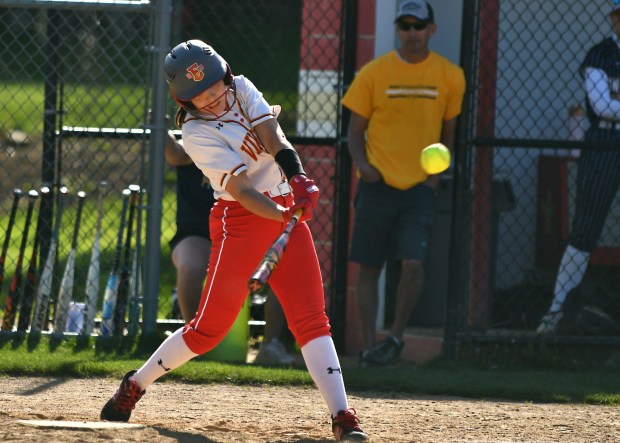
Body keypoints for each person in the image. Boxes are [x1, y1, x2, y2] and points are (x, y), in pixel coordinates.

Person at [100, 40, 369, 441]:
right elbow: (243, 192)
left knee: (312, 320)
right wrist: (284, 216)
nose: (212, 100)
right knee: (207, 331)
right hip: (239, 221)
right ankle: (134, 385)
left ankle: (343, 417)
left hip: (281, 208)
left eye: (214, 88)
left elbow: (272, 134)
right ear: (184, 101)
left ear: (225, 75)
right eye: (199, 97)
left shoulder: (241, 87)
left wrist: (296, 178)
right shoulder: (195, 132)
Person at [342, 0, 466, 367]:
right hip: (377, 183)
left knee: (413, 263)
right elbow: (354, 132)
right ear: (398, 29)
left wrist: (433, 179)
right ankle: (368, 349)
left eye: (419, 26)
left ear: (432, 30)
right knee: (368, 266)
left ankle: (394, 338)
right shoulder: (373, 73)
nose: (412, 32)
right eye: (405, 25)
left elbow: (449, 134)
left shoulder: (450, 75)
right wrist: (364, 167)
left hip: (419, 189)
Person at [166, 113, 296, 368]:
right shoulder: (201, 139)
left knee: (283, 270)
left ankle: (271, 345)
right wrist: (160, 126)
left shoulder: (253, 147)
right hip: (198, 232)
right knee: (191, 267)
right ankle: (191, 343)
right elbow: (175, 155)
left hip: (245, 229)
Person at [537, 1, 620, 334]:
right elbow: (602, 107)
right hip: (604, 143)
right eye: (618, 14)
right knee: (585, 228)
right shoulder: (599, 55)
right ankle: (557, 311)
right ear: (613, 19)